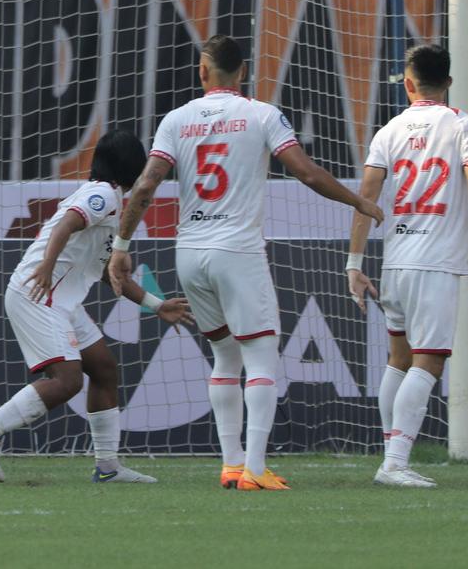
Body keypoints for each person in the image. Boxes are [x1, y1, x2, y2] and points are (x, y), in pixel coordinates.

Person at [107, 34, 383, 491]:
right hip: (237, 250)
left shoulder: (176, 120)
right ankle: (255, 467)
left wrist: (120, 245)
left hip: (190, 252)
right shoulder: (261, 115)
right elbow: (306, 171)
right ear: (244, 72)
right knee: (260, 357)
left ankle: (232, 464)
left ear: (202, 71)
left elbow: (143, 186)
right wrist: (359, 202)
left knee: (224, 355)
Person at [0, 131, 194, 484]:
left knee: (103, 368)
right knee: (68, 380)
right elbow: (66, 223)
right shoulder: (102, 194)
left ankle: (108, 467)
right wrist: (45, 265)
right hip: (38, 294)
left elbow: (110, 272)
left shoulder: (112, 202)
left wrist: (156, 304)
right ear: (132, 164)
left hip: (62, 302)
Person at [345, 44, 468, 488]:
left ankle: (391, 451)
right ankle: (394, 463)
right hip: (436, 261)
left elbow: (365, 199)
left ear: (408, 83)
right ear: (448, 82)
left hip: (396, 259)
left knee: (399, 358)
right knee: (428, 363)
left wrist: (354, 262)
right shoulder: (465, 125)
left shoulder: (388, 130)